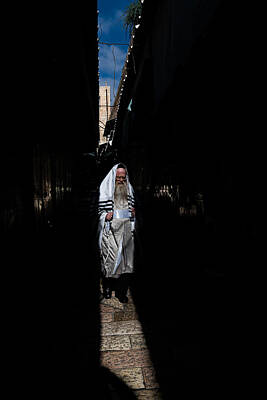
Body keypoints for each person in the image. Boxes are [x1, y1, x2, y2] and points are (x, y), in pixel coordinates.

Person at [98, 163, 136, 303]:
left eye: (123, 178)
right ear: (114, 177)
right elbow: (98, 210)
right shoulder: (105, 190)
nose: (121, 180)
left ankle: (121, 292)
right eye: (118, 178)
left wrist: (133, 214)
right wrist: (104, 216)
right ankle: (107, 288)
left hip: (126, 230)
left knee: (127, 263)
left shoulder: (129, 189)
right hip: (111, 231)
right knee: (110, 260)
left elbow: (133, 207)